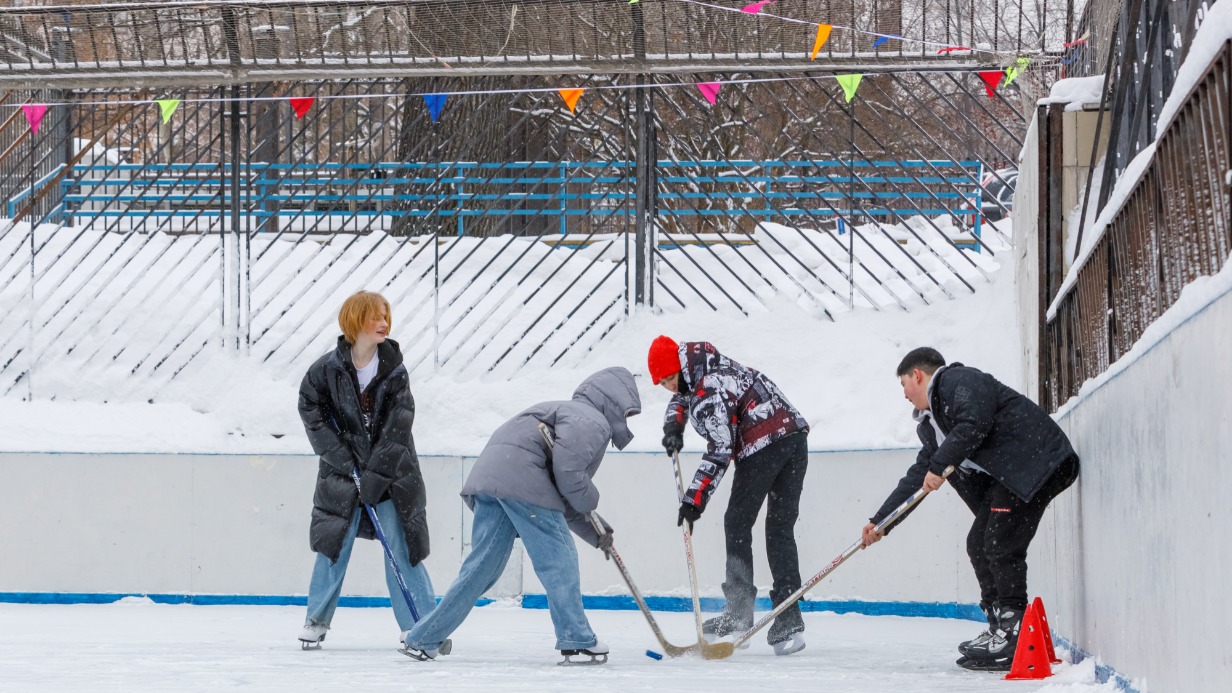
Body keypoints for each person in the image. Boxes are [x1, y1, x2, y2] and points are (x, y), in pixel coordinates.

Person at [401, 366, 641, 665]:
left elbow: (563, 493)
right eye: (628, 412)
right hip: (524, 481)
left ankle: (423, 638)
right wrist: (592, 498)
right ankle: (576, 638)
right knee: (559, 562)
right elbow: (569, 477)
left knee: (480, 570)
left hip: (493, 477)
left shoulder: (562, 410)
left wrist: (597, 531)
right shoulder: (591, 420)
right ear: (615, 402)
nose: (626, 420)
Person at [860, 347, 1080, 672]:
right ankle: (998, 626)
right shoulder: (931, 427)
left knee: (999, 543)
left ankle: (1013, 631)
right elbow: (918, 479)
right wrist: (882, 522)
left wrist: (940, 463)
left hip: (1037, 462)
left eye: (903, 384)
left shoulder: (956, 380)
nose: (904, 394)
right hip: (1013, 477)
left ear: (917, 375)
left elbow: (976, 420)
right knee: (978, 543)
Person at [647, 336, 810, 656]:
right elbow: (683, 395)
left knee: (737, 522)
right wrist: (673, 427)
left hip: (765, 445)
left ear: (679, 367)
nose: (667, 386)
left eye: (668, 378)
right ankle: (789, 616)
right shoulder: (707, 366)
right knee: (779, 529)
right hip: (794, 437)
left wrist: (694, 500)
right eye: (661, 382)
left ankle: (739, 614)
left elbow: (720, 450)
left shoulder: (708, 389)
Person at [296, 290, 437, 650]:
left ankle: (422, 624)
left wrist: (375, 477)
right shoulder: (324, 371)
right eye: (375, 316)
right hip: (341, 474)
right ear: (356, 320)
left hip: (392, 475)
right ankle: (316, 619)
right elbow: (311, 412)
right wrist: (339, 458)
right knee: (333, 545)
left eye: (386, 315)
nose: (384, 322)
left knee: (404, 547)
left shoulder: (395, 371)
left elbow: (398, 428)